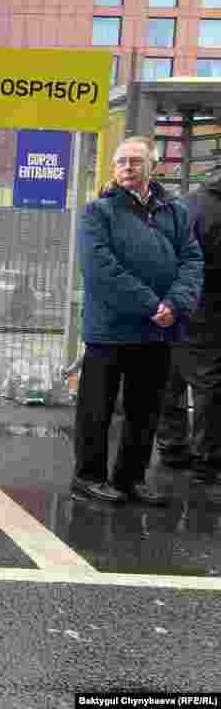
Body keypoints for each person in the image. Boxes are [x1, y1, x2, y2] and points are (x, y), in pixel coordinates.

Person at [71, 136, 203, 505]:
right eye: (121, 161)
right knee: (96, 409)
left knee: (145, 410)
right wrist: (151, 304)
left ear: (153, 167)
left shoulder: (175, 212)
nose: (127, 167)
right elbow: (100, 268)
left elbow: (192, 261)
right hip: (110, 329)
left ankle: (131, 478)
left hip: (158, 329)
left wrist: (174, 303)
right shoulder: (98, 212)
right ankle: (88, 477)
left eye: (135, 161)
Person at [168, 165, 221, 486]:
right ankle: (207, 458)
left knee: (172, 377)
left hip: (177, 302)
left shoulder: (184, 204)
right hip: (211, 307)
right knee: (208, 383)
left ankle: (171, 445)